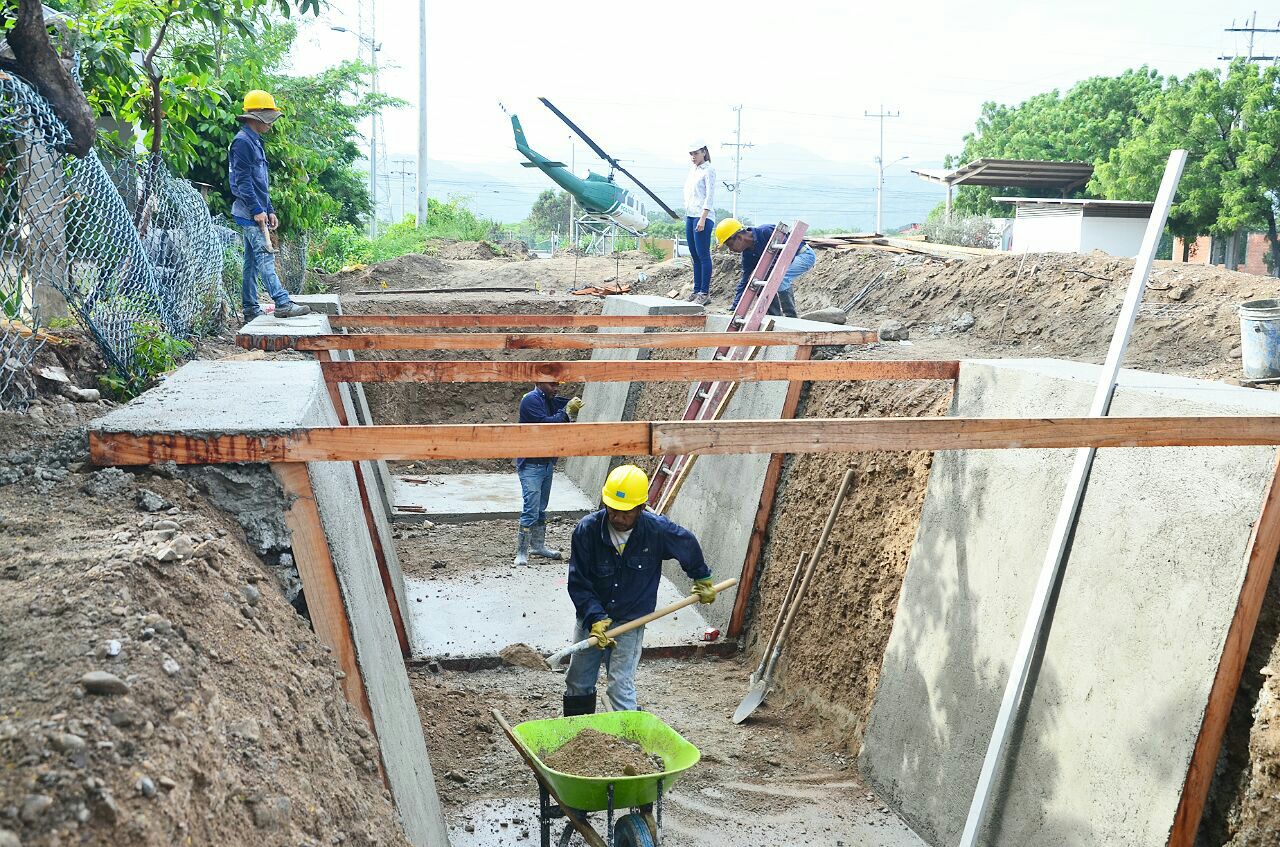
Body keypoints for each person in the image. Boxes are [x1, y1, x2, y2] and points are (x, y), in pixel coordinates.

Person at [563, 465, 719, 715]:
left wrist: (701, 577)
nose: (617, 517)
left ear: (641, 508)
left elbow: (686, 543)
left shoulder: (655, 530)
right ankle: (575, 734)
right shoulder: (587, 530)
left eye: (626, 513)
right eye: (612, 509)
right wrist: (594, 617)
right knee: (578, 681)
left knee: (620, 685)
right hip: (591, 620)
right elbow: (578, 582)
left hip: (630, 620)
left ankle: (628, 741)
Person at [229, 89, 310, 322]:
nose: (272, 123)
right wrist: (257, 210)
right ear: (258, 116)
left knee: (251, 263)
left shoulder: (255, 141)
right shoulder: (242, 143)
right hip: (249, 211)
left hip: (255, 210)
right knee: (265, 256)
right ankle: (282, 303)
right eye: (270, 117)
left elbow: (260, 182)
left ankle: (250, 308)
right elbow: (243, 181)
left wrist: (269, 209)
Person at [514, 382, 584, 567]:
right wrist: (566, 412)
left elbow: (560, 412)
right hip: (531, 464)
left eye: (557, 384)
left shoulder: (547, 399)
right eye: (552, 384)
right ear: (540, 383)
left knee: (540, 508)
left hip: (545, 464)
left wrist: (569, 409)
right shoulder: (531, 400)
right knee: (531, 508)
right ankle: (521, 552)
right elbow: (546, 425)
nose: (556, 388)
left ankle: (537, 546)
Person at [714, 218, 817, 319]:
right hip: (785, 262)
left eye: (730, 245)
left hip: (803, 255)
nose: (731, 250)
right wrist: (734, 308)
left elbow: (787, 254)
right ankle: (775, 317)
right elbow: (745, 281)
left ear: (740, 238)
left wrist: (766, 273)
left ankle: (791, 317)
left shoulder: (766, 231)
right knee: (759, 282)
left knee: (780, 277)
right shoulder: (748, 253)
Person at [683, 141, 716, 306]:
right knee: (694, 255)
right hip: (690, 214)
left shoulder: (708, 170)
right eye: (691, 154)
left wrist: (703, 217)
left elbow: (709, 195)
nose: (693, 157)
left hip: (702, 215)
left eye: (695, 153)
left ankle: (704, 292)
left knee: (703, 255)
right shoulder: (693, 170)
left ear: (704, 152)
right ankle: (696, 290)